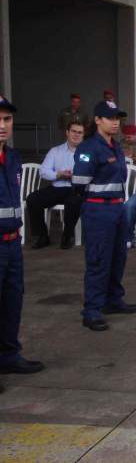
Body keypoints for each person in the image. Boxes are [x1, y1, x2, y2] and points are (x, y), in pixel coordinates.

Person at [71, 99, 136, 332]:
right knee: (98, 260)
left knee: (118, 257)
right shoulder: (89, 147)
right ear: (98, 120)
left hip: (118, 207)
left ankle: (113, 299)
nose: (115, 122)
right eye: (110, 118)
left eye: (117, 118)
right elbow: (79, 183)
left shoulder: (115, 146)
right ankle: (91, 310)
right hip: (98, 210)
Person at [0, 94, 45, 378]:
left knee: (12, 301)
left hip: (12, 243)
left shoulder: (13, 158)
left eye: (6, 119)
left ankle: (8, 356)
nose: (2, 125)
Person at [27, 121, 85, 250]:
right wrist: (58, 174)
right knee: (32, 199)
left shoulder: (86, 153)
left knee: (74, 201)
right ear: (67, 133)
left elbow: (90, 173)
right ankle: (42, 236)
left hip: (75, 189)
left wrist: (74, 177)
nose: (76, 135)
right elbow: (43, 171)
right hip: (56, 187)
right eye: (74, 131)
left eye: (80, 132)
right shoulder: (55, 151)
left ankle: (67, 236)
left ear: (83, 135)